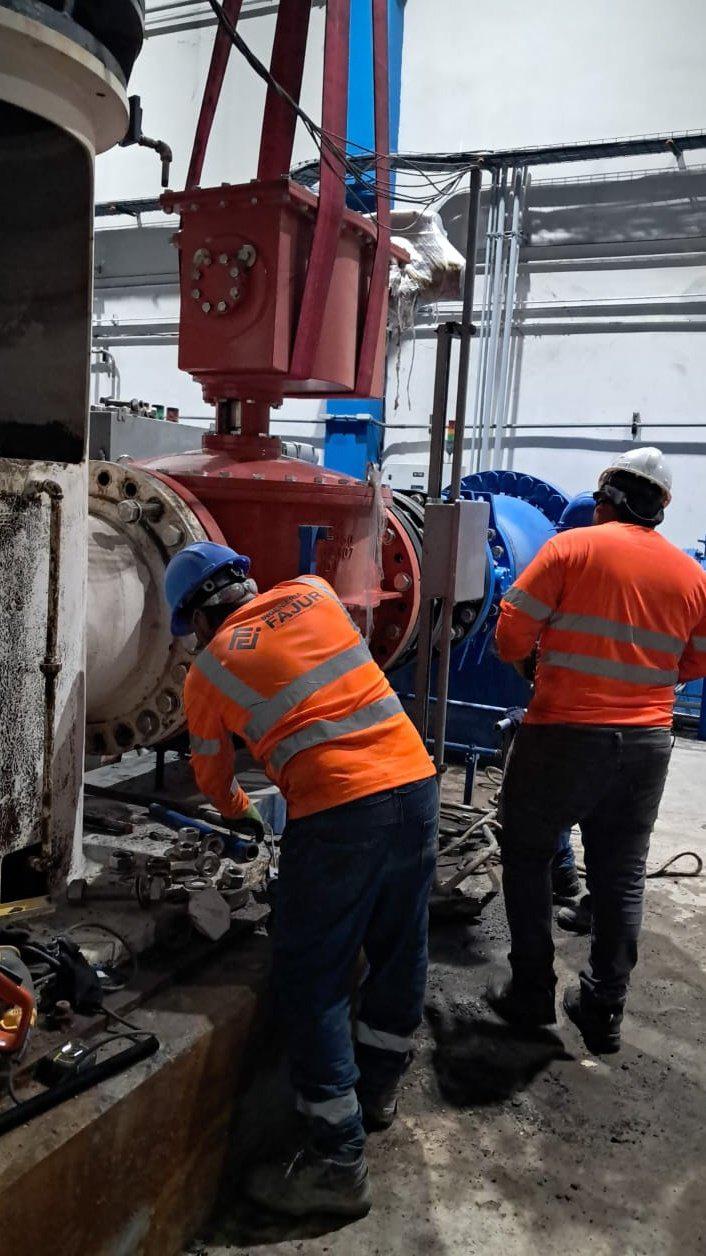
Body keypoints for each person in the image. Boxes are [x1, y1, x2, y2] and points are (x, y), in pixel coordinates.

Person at [164, 542, 438, 1218]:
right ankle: (377, 1091)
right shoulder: (314, 592)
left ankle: (336, 1164)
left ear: (197, 620)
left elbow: (212, 779)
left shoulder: (207, 672)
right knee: (400, 944)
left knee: (311, 975)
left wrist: (250, 819)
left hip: (340, 812)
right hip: (416, 783)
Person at [488, 447, 706, 1053]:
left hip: (561, 734)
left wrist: (540, 664)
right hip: (646, 745)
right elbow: (698, 658)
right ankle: (604, 1009)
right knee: (621, 876)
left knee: (527, 855)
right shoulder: (691, 574)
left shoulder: (569, 549)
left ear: (606, 496)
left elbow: (510, 633)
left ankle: (532, 993)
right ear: (660, 509)